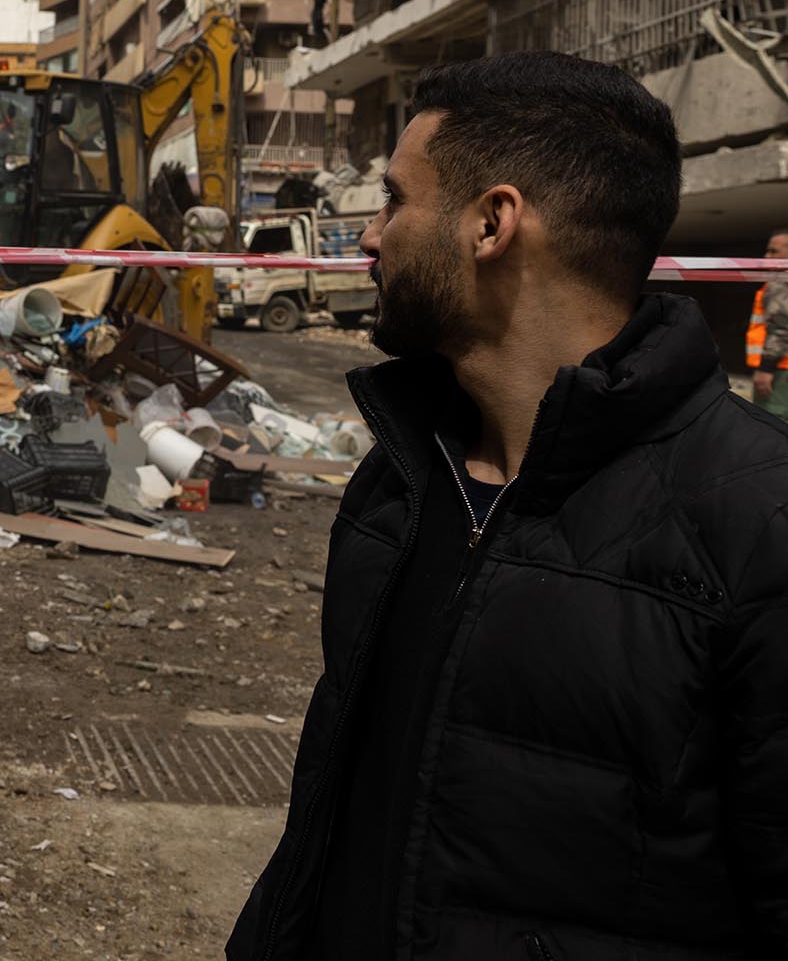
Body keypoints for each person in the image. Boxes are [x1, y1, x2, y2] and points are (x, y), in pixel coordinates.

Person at [226, 52, 788, 960]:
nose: (370, 239)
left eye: (395, 200)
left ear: (492, 222)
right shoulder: (399, 482)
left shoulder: (757, 519)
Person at [747, 228, 788, 418]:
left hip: (780, 370)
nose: (766, 256)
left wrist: (765, 369)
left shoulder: (781, 282)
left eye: (774, 251)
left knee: (773, 424)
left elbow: (781, 328)